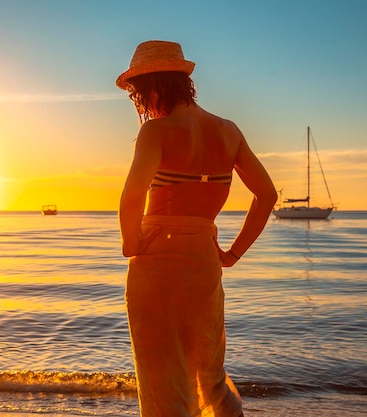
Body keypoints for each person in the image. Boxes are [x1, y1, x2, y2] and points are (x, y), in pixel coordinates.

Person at [117, 40, 277, 417]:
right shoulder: (228, 131)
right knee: (208, 370)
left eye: (140, 96)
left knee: (161, 375)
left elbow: (131, 197)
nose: (143, 105)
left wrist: (131, 243)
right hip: (203, 258)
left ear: (154, 87)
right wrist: (233, 254)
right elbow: (266, 195)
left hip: (155, 261)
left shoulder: (156, 132)